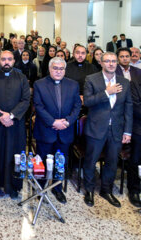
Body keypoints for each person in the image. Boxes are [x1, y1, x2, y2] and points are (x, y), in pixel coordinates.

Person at [83, 52, 132, 208]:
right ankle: (89, 190)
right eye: (107, 61)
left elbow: (128, 107)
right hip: (96, 128)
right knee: (91, 161)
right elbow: (88, 102)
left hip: (117, 129)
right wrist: (106, 92)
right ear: (101, 63)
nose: (111, 64)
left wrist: (128, 131)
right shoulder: (91, 79)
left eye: (113, 61)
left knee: (112, 162)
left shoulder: (124, 82)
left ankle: (106, 190)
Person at [33, 57, 81, 203]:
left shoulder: (73, 85)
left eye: (61, 69)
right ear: (49, 68)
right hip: (46, 131)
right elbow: (38, 106)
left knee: (60, 163)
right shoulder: (39, 84)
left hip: (65, 131)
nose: (58, 71)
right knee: (41, 161)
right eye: (55, 68)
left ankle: (57, 188)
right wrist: (53, 122)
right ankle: (39, 188)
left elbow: (77, 106)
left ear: (65, 70)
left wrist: (67, 121)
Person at [0, 50, 30, 199]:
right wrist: (0, 116)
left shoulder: (22, 78)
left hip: (15, 124)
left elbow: (25, 100)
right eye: (3, 59)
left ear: (14, 61)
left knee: (14, 154)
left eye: (9, 59)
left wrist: (11, 115)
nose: (6, 62)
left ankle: (13, 186)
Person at [128, 68, 141, 207]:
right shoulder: (135, 83)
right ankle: (134, 189)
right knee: (136, 160)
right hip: (139, 129)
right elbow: (136, 107)